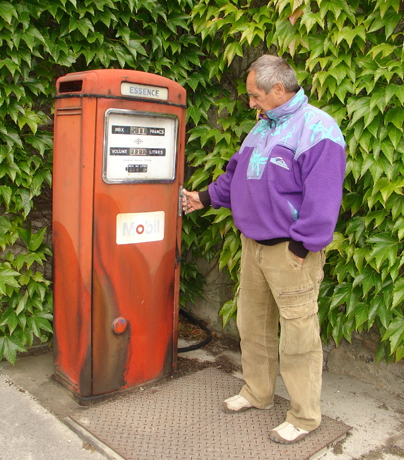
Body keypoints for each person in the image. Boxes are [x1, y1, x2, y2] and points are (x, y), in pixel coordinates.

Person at [182, 55, 346, 444]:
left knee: (298, 336)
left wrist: (302, 247)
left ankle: (305, 418)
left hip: (290, 253)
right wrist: (203, 198)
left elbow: (323, 199)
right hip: (252, 246)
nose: (250, 102)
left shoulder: (319, 128)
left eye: (255, 95)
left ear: (278, 89)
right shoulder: (262, 127)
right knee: (253, 327)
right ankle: (258, 393)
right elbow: (238, 174)